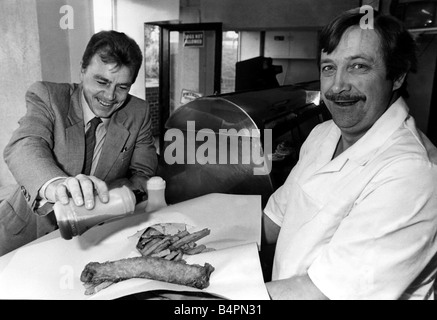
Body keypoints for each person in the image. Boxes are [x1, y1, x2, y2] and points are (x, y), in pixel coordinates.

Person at [262, 8, 437, 300]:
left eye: (358, 66)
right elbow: (274, 221)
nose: (338, 86)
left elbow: (324, 293)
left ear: (396, 77)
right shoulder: (323, 135)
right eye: (329, 68)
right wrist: (201, 235)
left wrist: (209, 302)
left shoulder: (413, 171)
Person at [0, 30, 158, 256]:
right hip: (23, 235)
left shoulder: (138, 112)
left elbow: (143, 174)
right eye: (102, 81)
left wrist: (105, 199)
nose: (110, 96)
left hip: (91, 239)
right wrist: (56, 185)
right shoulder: (48, 96)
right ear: (82, 70)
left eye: (122, 87)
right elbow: (25, 143)